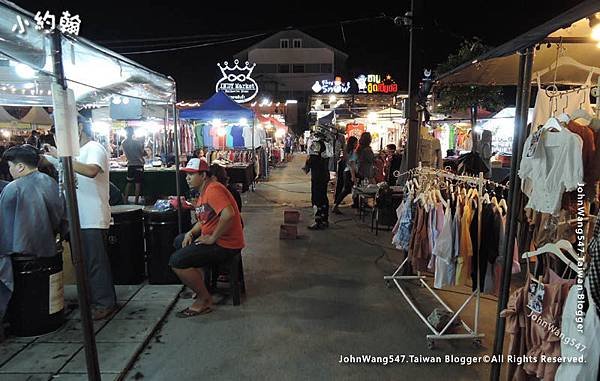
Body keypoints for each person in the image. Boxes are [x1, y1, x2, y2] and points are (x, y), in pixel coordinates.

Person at [47, 118, 117, 320]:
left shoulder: (94, 148)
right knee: (83, 262)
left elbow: (91, 171)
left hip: (92, 216)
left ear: (78, 128)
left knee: (95, 262)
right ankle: (92, 300)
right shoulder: (75, 154)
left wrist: (61, 157)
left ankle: (104, 302)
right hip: (77, 217)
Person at [169, 158, 245, 317]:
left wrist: (211, 238)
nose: (187, 178)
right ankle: (201, 285)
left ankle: (204, 299)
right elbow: (205, 219)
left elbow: (228, 213)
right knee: (179, 241)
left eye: (191, 175)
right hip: (215, 239)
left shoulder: (213, 189)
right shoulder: (204, 191)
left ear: (203, 175)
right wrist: (191, 232)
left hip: (225, 244)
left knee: (176, 261)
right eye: (186, 175)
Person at [0, 145, 65, 323]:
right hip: (48, 246)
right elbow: (61, 214)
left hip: (20, 251)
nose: (10, 170)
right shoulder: (50, 182)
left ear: (20, 167)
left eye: (10, 166)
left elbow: (4, 228)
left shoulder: (13, 189)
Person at [303, 133, 330, 230]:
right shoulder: (327, 144)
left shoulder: (316, 145)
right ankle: (324, 219)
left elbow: (312, 159)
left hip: (318, 175)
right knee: (323, 197)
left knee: (316, 198)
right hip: (325, 174)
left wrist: (307, 165)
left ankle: (318, 221)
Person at [332, 136, 358, 214]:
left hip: (346, 171)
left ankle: (356, 206)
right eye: (356, 142)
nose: (357, 144)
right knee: (347, 190)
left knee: (350, 189)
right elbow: (352, 164)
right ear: (353, 143)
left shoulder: (347, 151)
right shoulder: (352, 152)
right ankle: (336, 205)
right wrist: (353, 176)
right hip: (349, 172)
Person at [121, 126, 147, 204]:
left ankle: (125, 200)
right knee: (137, 184)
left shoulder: (123, 143)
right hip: (138, 164)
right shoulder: (137, 142)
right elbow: (142, 153)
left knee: (128, 183)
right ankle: (136, 201)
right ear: (132, 132)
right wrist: (142, 145)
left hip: (130, 165)